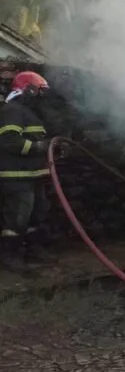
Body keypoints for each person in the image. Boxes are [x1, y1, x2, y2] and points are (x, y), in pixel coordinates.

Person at [0, 71, 55, 267]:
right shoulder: (12, 111)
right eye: (40, 91)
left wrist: (51, 147)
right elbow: (8, 141)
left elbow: (36, 141)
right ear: (28, 90)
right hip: (16, 176)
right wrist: (37, 147)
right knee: (18, 216)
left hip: (34, 175)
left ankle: (33, 251)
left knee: (37, 214)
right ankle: (10, 256)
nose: (42, 96)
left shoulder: (30, 113)